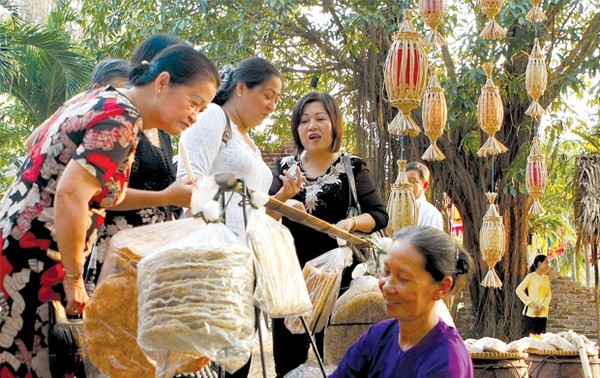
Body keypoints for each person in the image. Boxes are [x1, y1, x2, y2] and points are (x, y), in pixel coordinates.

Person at [0, 42, 220, 377]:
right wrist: (74, 279)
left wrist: (165, 196)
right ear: (161, 83)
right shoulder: (122, 118)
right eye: (194, 102)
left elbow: (92, 192)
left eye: (202, 111)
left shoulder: (104, 99)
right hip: (34, 261)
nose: (195, 116)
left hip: (19, 244)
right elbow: (71, 195)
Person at [177, 56, 302, 378]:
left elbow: (250, 208)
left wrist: (283, 200)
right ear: (242, 88)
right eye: (268, 95)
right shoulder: (214, 117)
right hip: (212, 265)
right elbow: (189, 182)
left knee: (236, 361)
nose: (272, 106)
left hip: (243, 267)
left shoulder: (248, 143)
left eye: (277, 99)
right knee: (209, 364)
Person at [269, 91, 388, 377]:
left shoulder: (352, 166)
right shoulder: (285, 168)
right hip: (291, 278)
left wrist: (351, 224)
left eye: (320, 119)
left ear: (334, 124)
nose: (312, 126)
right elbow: (266, 217)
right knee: (288, 360)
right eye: (304, 120)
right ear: (297, 128)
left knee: (340, 359)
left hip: (340, 280)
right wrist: (284, 199)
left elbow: (379, 215)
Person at [85, 33, 190, 293]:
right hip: (116, 246)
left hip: (151, 250)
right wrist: (166, 197)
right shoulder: (121, 116)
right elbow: (99, 191)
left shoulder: (162, 130)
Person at [331, 226, 474, 377]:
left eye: (403, 278)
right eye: (386, 272)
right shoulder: (378, 336)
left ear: (442, 287)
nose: (386, 286)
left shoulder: (447, 361)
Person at [24, 58, 132, 149]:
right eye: (122, 92)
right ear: (98, 89)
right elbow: (32, 142)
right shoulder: (77, 110)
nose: (128, 99)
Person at [516, 254, 552, 337]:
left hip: (542, 314)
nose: (548, 265)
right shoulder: (530, 277)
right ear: (539, 264)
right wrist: (531, 303)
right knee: (527, 340)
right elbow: (519, 290)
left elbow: (549, 294)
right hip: (531, 313)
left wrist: (542, 306)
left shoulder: (546, 278)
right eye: (546, 263)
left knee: (540, 341)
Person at [406, 161, 444, 230]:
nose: (406, 185)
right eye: (404, 181)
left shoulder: (430, 213)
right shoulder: (394, 210)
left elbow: (431, 240)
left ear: (425, 185)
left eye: (412, 181)